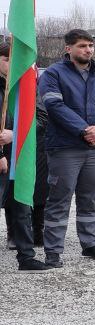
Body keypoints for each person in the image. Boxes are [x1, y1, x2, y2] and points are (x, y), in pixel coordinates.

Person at [37, 29, 95, 266]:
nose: (88, 50)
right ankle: (53, 251)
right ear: (69, 49)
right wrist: (86, 130)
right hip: (65, 148)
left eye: (91, 45)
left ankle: (89, 244)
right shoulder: (53, 74)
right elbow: (54, 106)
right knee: (59, 199)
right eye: (83, 46)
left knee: (89, 197)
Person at [0, 43, 48, 271]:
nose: (12, 65)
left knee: (21, 205)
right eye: (8, 59)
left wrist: (16, 135)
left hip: (20, 155)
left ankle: (26, 256)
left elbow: (41, 120)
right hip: (1, 156)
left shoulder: (27, 86)